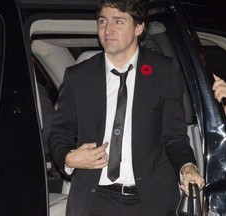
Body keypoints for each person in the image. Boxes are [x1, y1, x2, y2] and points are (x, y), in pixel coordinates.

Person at [48, 0, 205, 215]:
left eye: (118, 21)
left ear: (139, 27)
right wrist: (67, 157)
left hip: (150, 201)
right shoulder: (79, 76)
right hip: (95, 199)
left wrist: (187, 165)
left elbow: (174, 135)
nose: (108, 30)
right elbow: (59, 130)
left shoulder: (164, 71)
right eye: (102, 21)